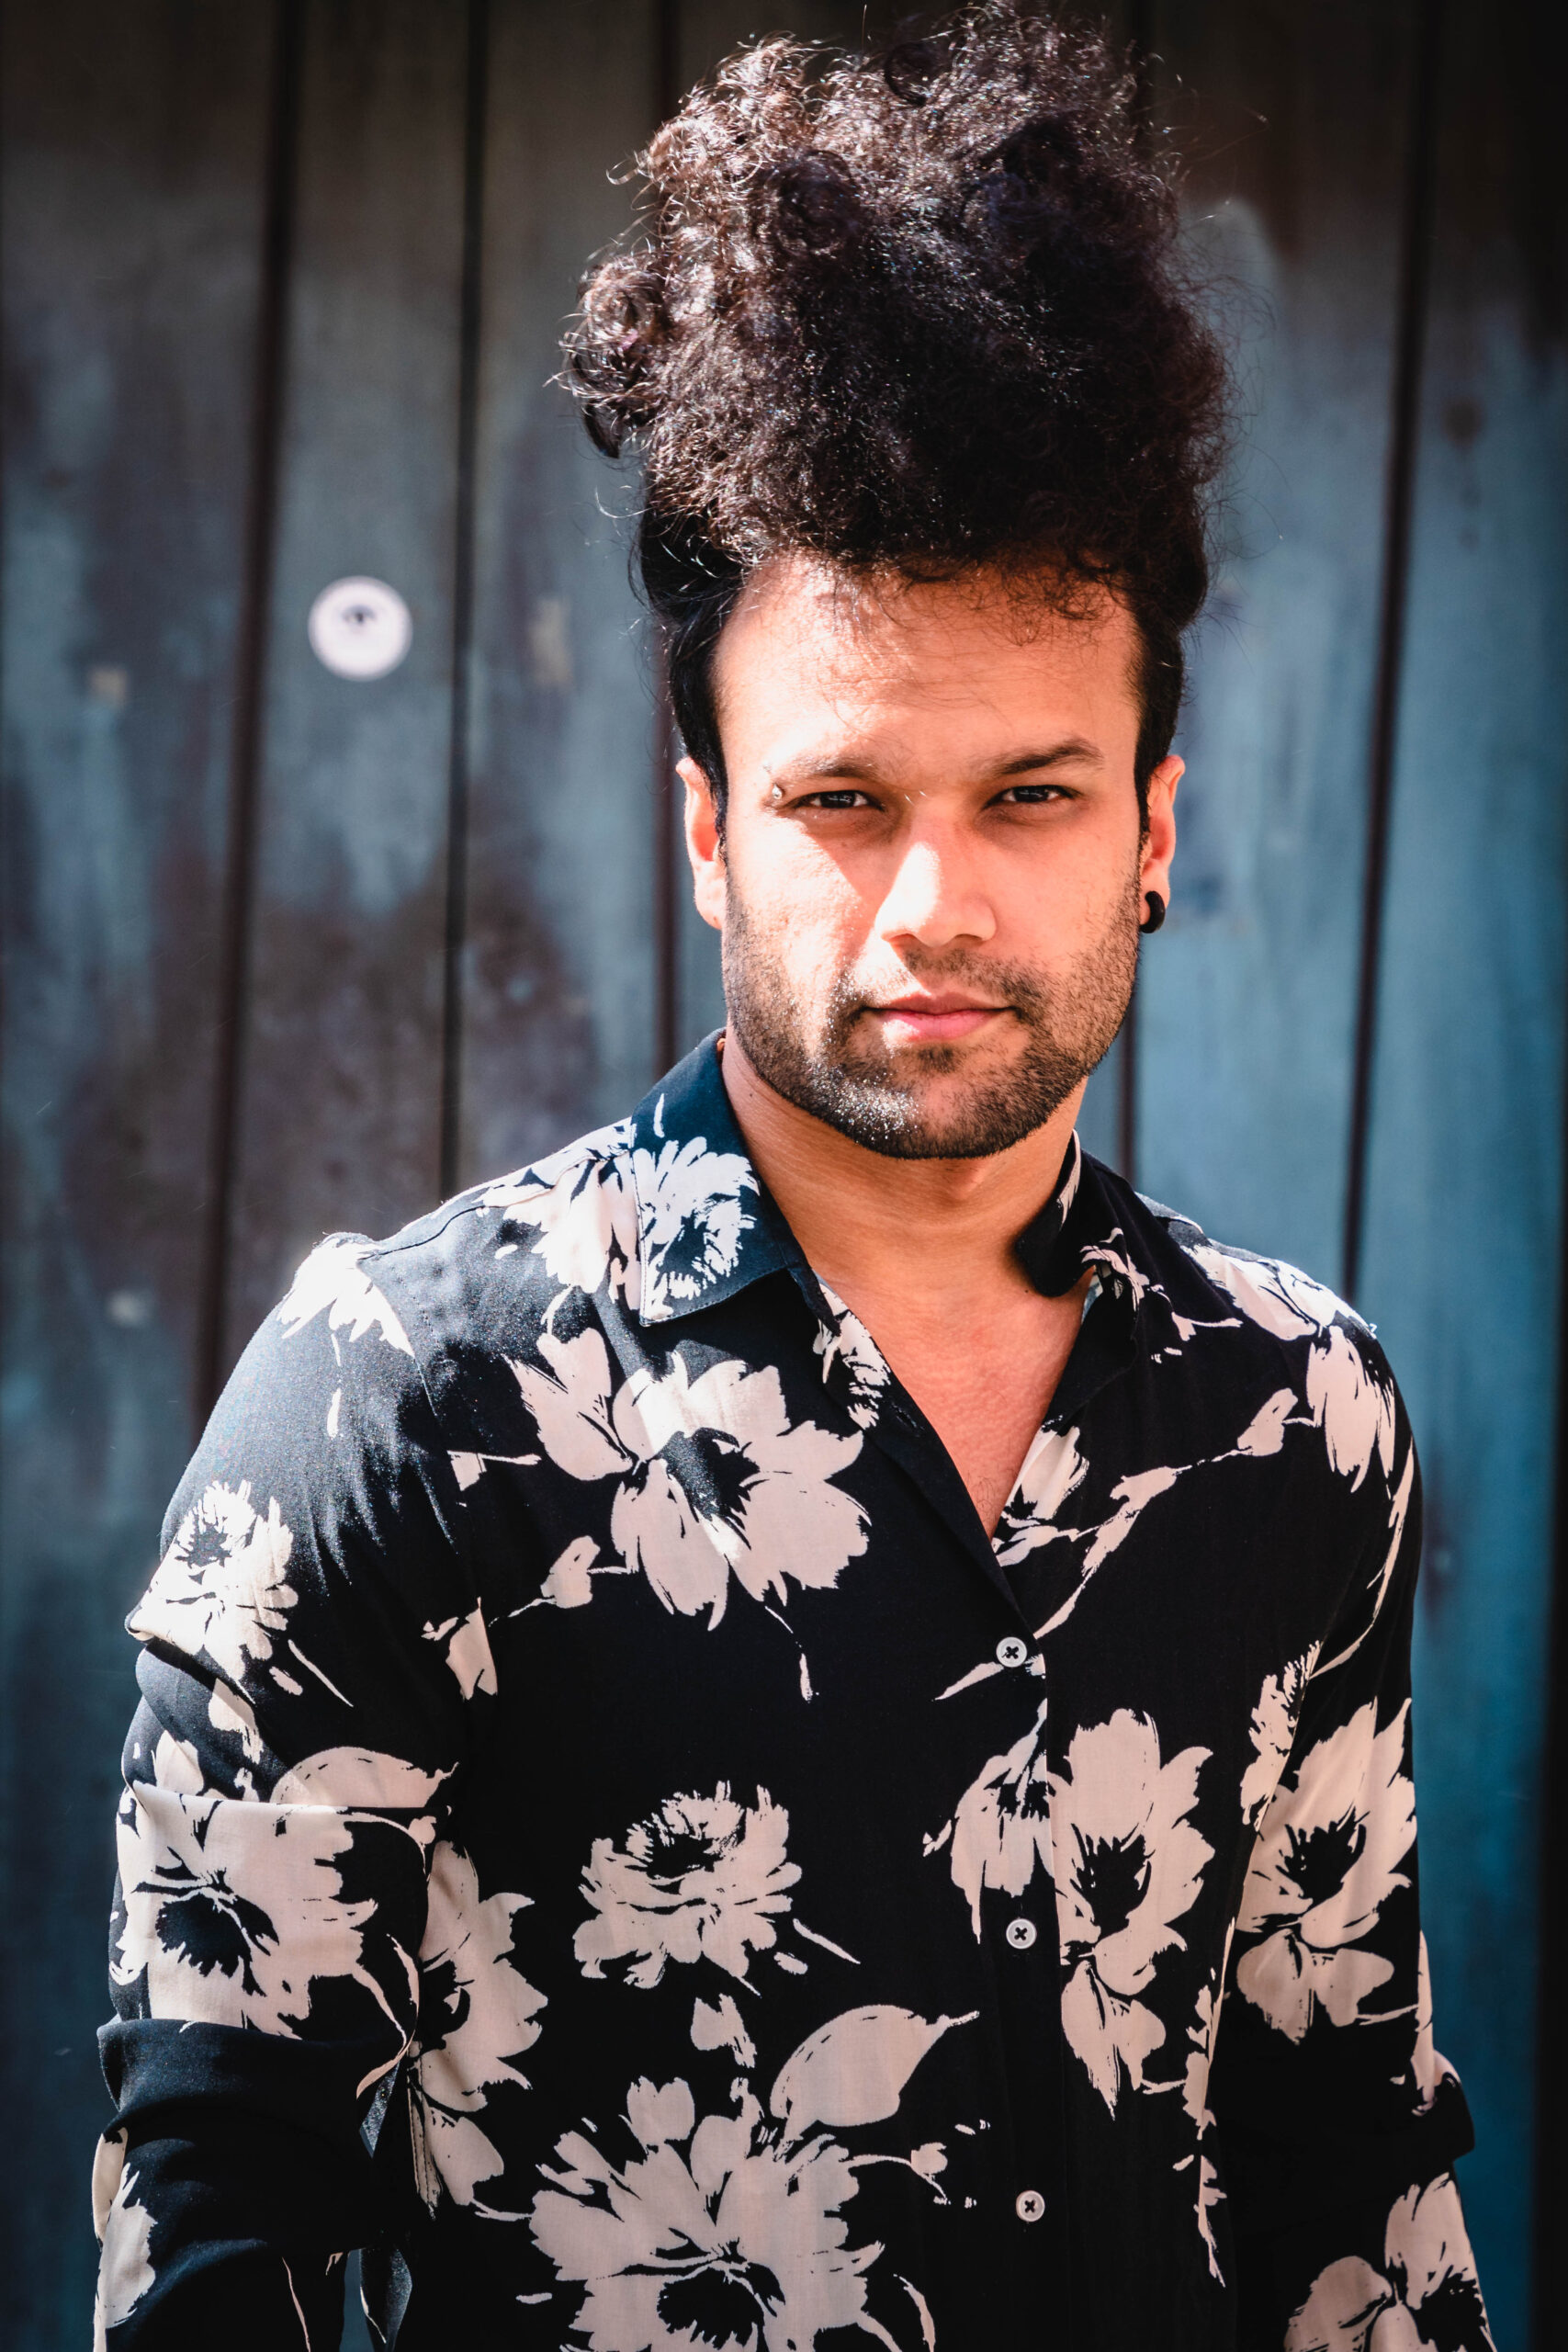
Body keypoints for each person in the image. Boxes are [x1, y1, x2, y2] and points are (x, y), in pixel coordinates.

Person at [93, 8, 1492, 2346]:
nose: (932, 901)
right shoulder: (405, 1403)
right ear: (706, 827)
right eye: (842, 799)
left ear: (1151, 828)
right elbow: (215, 2198)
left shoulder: (1295, 1413)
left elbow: (1344, 2156)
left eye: (1028, 795)